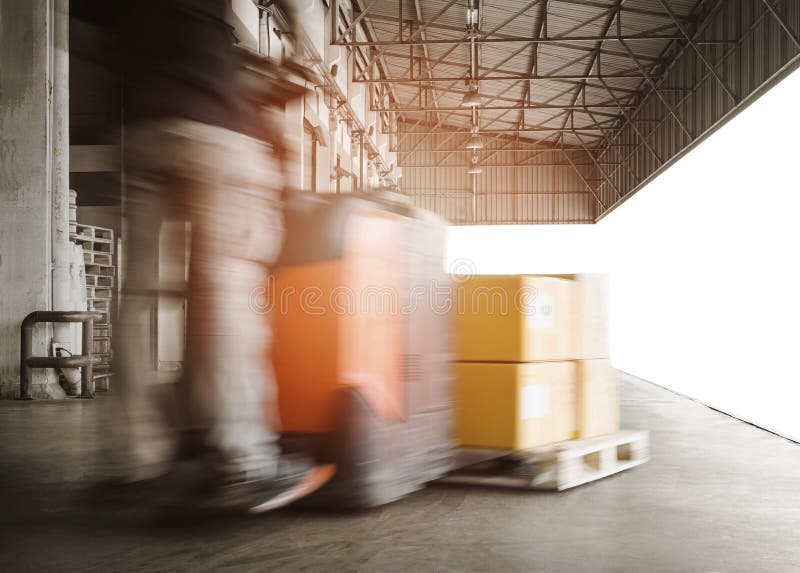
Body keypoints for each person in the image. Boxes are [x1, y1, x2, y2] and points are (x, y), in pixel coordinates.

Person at [103, 0, 331, 512]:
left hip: (139, 126)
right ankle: (244, 462)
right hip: (213, 122)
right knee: (227, 286)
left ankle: (132, 462)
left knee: (136, 295)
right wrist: (299, 54)